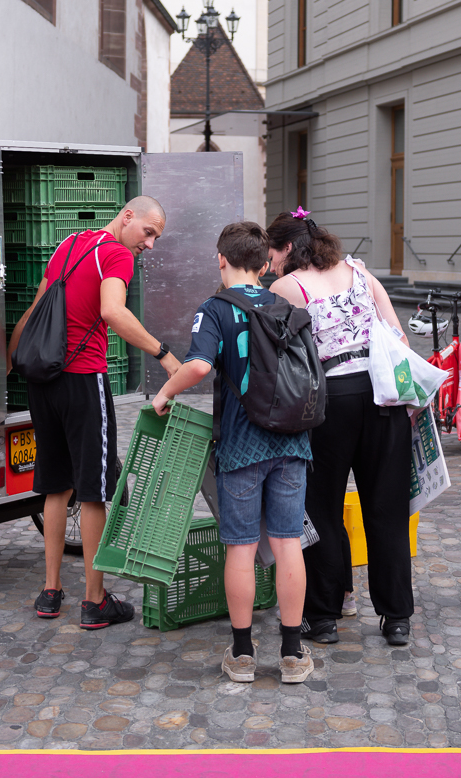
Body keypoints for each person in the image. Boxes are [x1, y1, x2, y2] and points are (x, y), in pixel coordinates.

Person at [151, 222, 315, 685]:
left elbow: (200, 366)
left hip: (242, 445)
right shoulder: (287, 305)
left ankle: (242, 655)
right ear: (265, 265)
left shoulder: (214, 309)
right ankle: (292, 653)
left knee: (241, 549)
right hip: (291, 440)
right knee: (287, 544)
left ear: (220, 259)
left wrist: (164, 393)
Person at [8, 195, 181, 629]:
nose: (151, 244)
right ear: (127, 217)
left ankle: (50, 592)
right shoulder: (117, 254)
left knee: (53, 487)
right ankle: (94, 599)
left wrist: (15, 356)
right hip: (83, 381)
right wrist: (163, 354)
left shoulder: (69, 243)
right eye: (149, 231)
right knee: (92, 490)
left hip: (42, 379)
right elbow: (112, 311)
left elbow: (38, 306)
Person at [264, 209, 411, 646]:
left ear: (288, 248)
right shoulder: (361, 274)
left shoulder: (286, 286)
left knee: (320, 506)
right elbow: (397, 336)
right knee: (387, 509)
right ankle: (397, 616)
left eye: (272, 253)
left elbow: (278, 353)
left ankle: (323, 615)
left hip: (327, 399)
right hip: (383, 394)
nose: (269, 263)